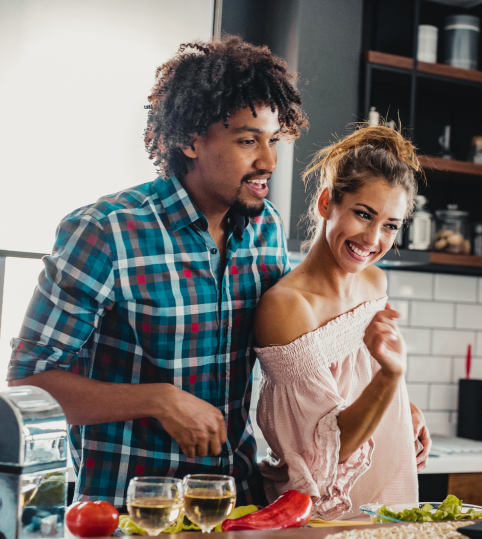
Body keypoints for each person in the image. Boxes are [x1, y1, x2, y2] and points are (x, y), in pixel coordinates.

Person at [7, 36, 308, 507]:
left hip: (238, 503)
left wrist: (387, 399)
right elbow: (29, 385)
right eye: (248, 140)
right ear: (190, 140)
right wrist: (157, 400)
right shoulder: (105, 230)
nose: (268, 162)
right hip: (131, 511)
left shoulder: (265, 228)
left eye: (273, 140)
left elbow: (298, 349)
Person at [253, 125, 432, 520]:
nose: (372, 239)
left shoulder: (375, 281)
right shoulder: (286, 308)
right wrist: (391, 379)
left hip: (388, 494)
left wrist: (405, 406)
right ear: (326, 203)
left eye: (390, 225)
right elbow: (329, 449)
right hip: (322, 515)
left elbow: (363, 376)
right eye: (363, 214)